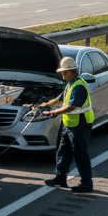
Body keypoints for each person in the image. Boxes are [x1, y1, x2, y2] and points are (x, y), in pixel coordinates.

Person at [38, 56, 95, 193]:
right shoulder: (71, 84)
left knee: (80, 154)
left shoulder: (79, 85)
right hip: (69, 125)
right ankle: (60, 178)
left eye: (64, 72)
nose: (62, 75)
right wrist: (45, 105)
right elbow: (60, 99)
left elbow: (71, 106)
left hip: (80, 124)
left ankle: (87, 183)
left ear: (72, 71)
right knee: (63, 152)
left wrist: (54, 112)